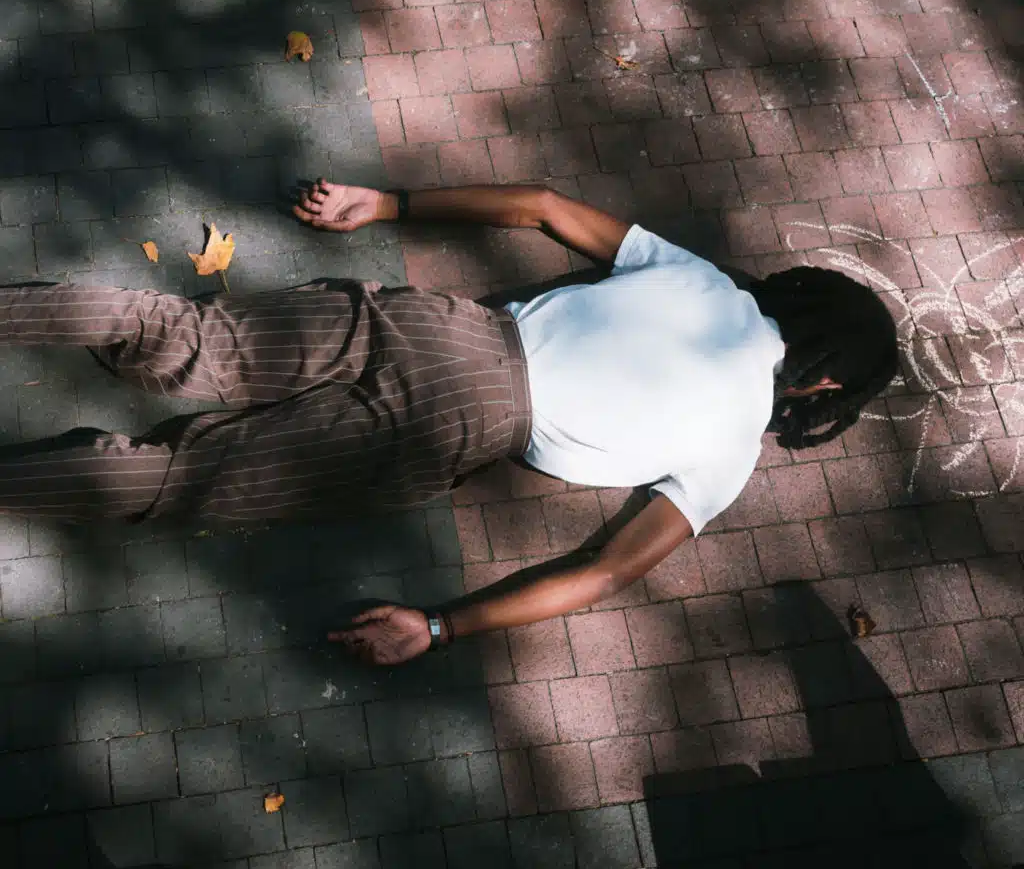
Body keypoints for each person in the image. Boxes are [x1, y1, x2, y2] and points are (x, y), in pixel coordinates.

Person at [0, 181, 898, 665]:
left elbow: (544, 206)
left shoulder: (699, 277)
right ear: (823, 384)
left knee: (174, 331)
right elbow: (605, 570)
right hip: (453, 426)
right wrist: (438, 628)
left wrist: (386, 204)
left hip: (436, 324)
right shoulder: (731, 449)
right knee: (180, 478)